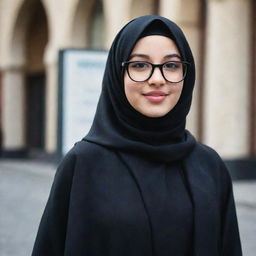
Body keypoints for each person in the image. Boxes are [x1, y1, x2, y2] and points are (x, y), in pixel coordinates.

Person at [32, 15, 242, 256]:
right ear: (116, 75)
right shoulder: (83, 163)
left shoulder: (209, 166)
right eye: (139, 65)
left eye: (171, 66)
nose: (157, 79)